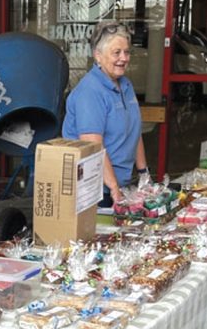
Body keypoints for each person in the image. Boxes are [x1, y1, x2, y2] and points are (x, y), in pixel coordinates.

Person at [62, 21, 148, 207]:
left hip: (121, 185)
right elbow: (93, 147)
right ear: (98, 56)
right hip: (96, 191)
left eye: (127, 52)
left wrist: (143, 174)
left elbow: (135, 133)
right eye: (116, 52)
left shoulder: (126, 85)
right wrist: (115, 189)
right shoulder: (90, 92)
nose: (123, 58)